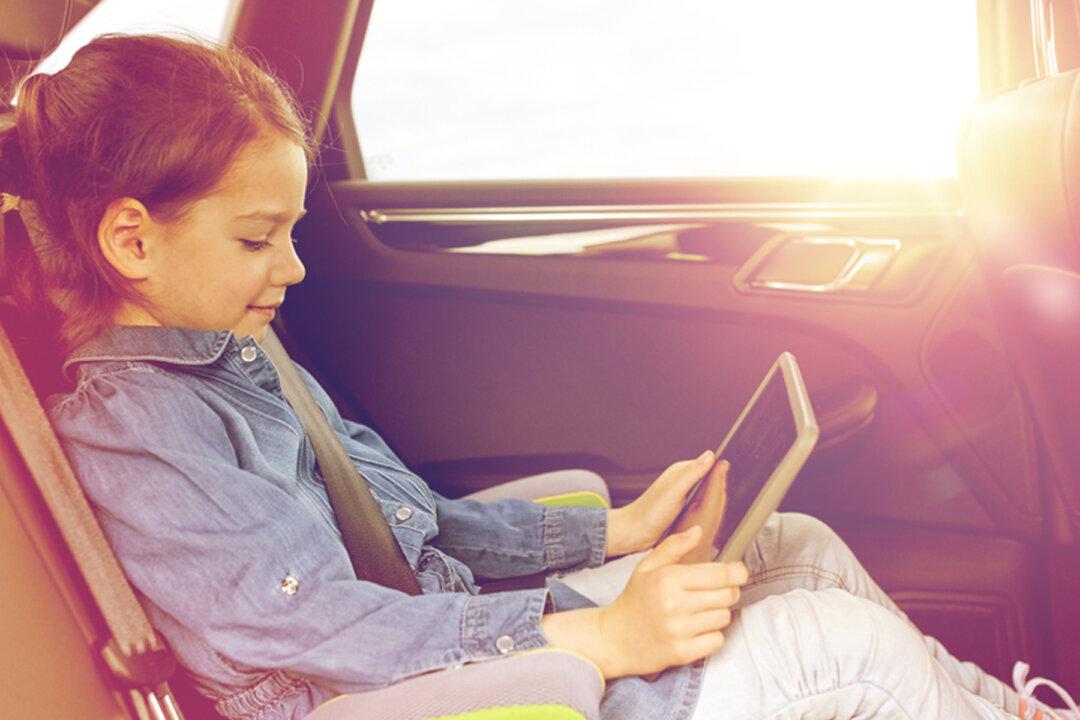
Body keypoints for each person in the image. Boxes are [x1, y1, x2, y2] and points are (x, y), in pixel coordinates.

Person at [1, 33, 1075, 720]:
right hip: (435, 697)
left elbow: (416, 522)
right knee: (838, 650)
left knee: (796, 544)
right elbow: (320, 630)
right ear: (132, 241)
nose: (293, 266)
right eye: (256, 239)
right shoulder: (136, 432)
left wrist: (613, 532)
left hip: (462, 634)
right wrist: (598, 634)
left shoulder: (237, 357)